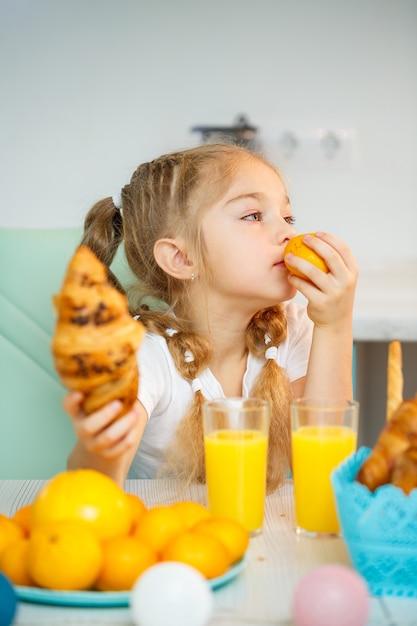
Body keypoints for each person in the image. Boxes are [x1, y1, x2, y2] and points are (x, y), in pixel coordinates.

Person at [64, 143, 358, 490]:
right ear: (181, 258)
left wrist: (335, 325)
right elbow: (90, 490)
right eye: (253, 215)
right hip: (174, 536)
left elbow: (326, 480)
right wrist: (101, 440)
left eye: (288, 217)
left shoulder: (293, 329)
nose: (289, 233)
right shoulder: (142, 354)